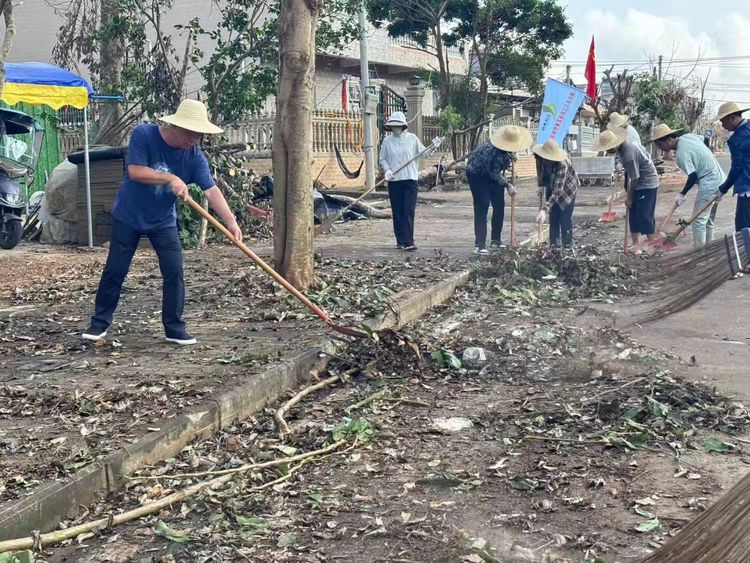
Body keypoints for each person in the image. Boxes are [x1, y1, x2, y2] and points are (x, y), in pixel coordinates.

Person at [82, 99, 242, 345]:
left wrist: (231, 222)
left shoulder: (194, 156)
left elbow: (211, 190)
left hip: (163, 221)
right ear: (175, 126)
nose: (194, 139)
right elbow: (135, 171)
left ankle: (174, 328)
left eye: (199, 134)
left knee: (174, 271)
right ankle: (99, 323)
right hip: (129, 215)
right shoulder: (144, 134)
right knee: (116, 269)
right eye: (191, 133)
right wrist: (170, 178)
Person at [650, 123, 725, 247]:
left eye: (660, 145)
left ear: (668, 140)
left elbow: (693, 175)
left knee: (699, 221)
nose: (660, 148)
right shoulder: (688, 136)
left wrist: (682, 194)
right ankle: (708, 248)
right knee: (708, 219)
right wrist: (704, 157)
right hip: (720, 178)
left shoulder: (681, 153)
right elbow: (705, 139)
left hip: (709, 182)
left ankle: (699, 251)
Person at [466, 125, 532, 254]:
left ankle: (496, 240)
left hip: (493, 175)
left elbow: (498, 170)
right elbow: (493, 172)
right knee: (482, 206)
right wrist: (507, 185)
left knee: (499, 205)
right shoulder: (491, 150)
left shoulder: (505, 151)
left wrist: (511, 158)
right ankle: (479, 244)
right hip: (477, 175)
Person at [592, 128, 659, 248]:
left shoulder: (629, 154)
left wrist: (629, 197)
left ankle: (655, 246)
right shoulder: (625, 147)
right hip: (638, 182)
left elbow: (635, 178)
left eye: (609, 148)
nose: (608, 150)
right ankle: (636, 245)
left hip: (647, 184)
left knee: (644, 217)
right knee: (633, 215)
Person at [379, 111, 426, 252]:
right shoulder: (387, 141)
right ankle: (400, 240)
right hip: (394, 181)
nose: (395, 129)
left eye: (398, 126)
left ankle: (408, 241)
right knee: (398, 211)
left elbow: (424, 153)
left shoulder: (412, 139)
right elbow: (382, 158)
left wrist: (434, 146)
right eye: (392, 126)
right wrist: (387, 170)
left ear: (403, 126)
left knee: (407, 210)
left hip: (410, 180)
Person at [533, 138, 580, 247]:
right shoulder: (539, 157)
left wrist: (544, 209)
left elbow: (558, 190)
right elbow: (539, 170)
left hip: (567, 189)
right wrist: (540, 185)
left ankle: (567, 246)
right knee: (553, 217)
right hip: (551, 184)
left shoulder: (563, 163)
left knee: (564, 218)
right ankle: (554, 245)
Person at [716, 102, 750, 231]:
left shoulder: (736, 139)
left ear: (732, 118)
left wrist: (723, 189)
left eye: (724, 122)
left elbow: (737, 168)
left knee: (743, 228)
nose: (723, 126)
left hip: (747, 188)